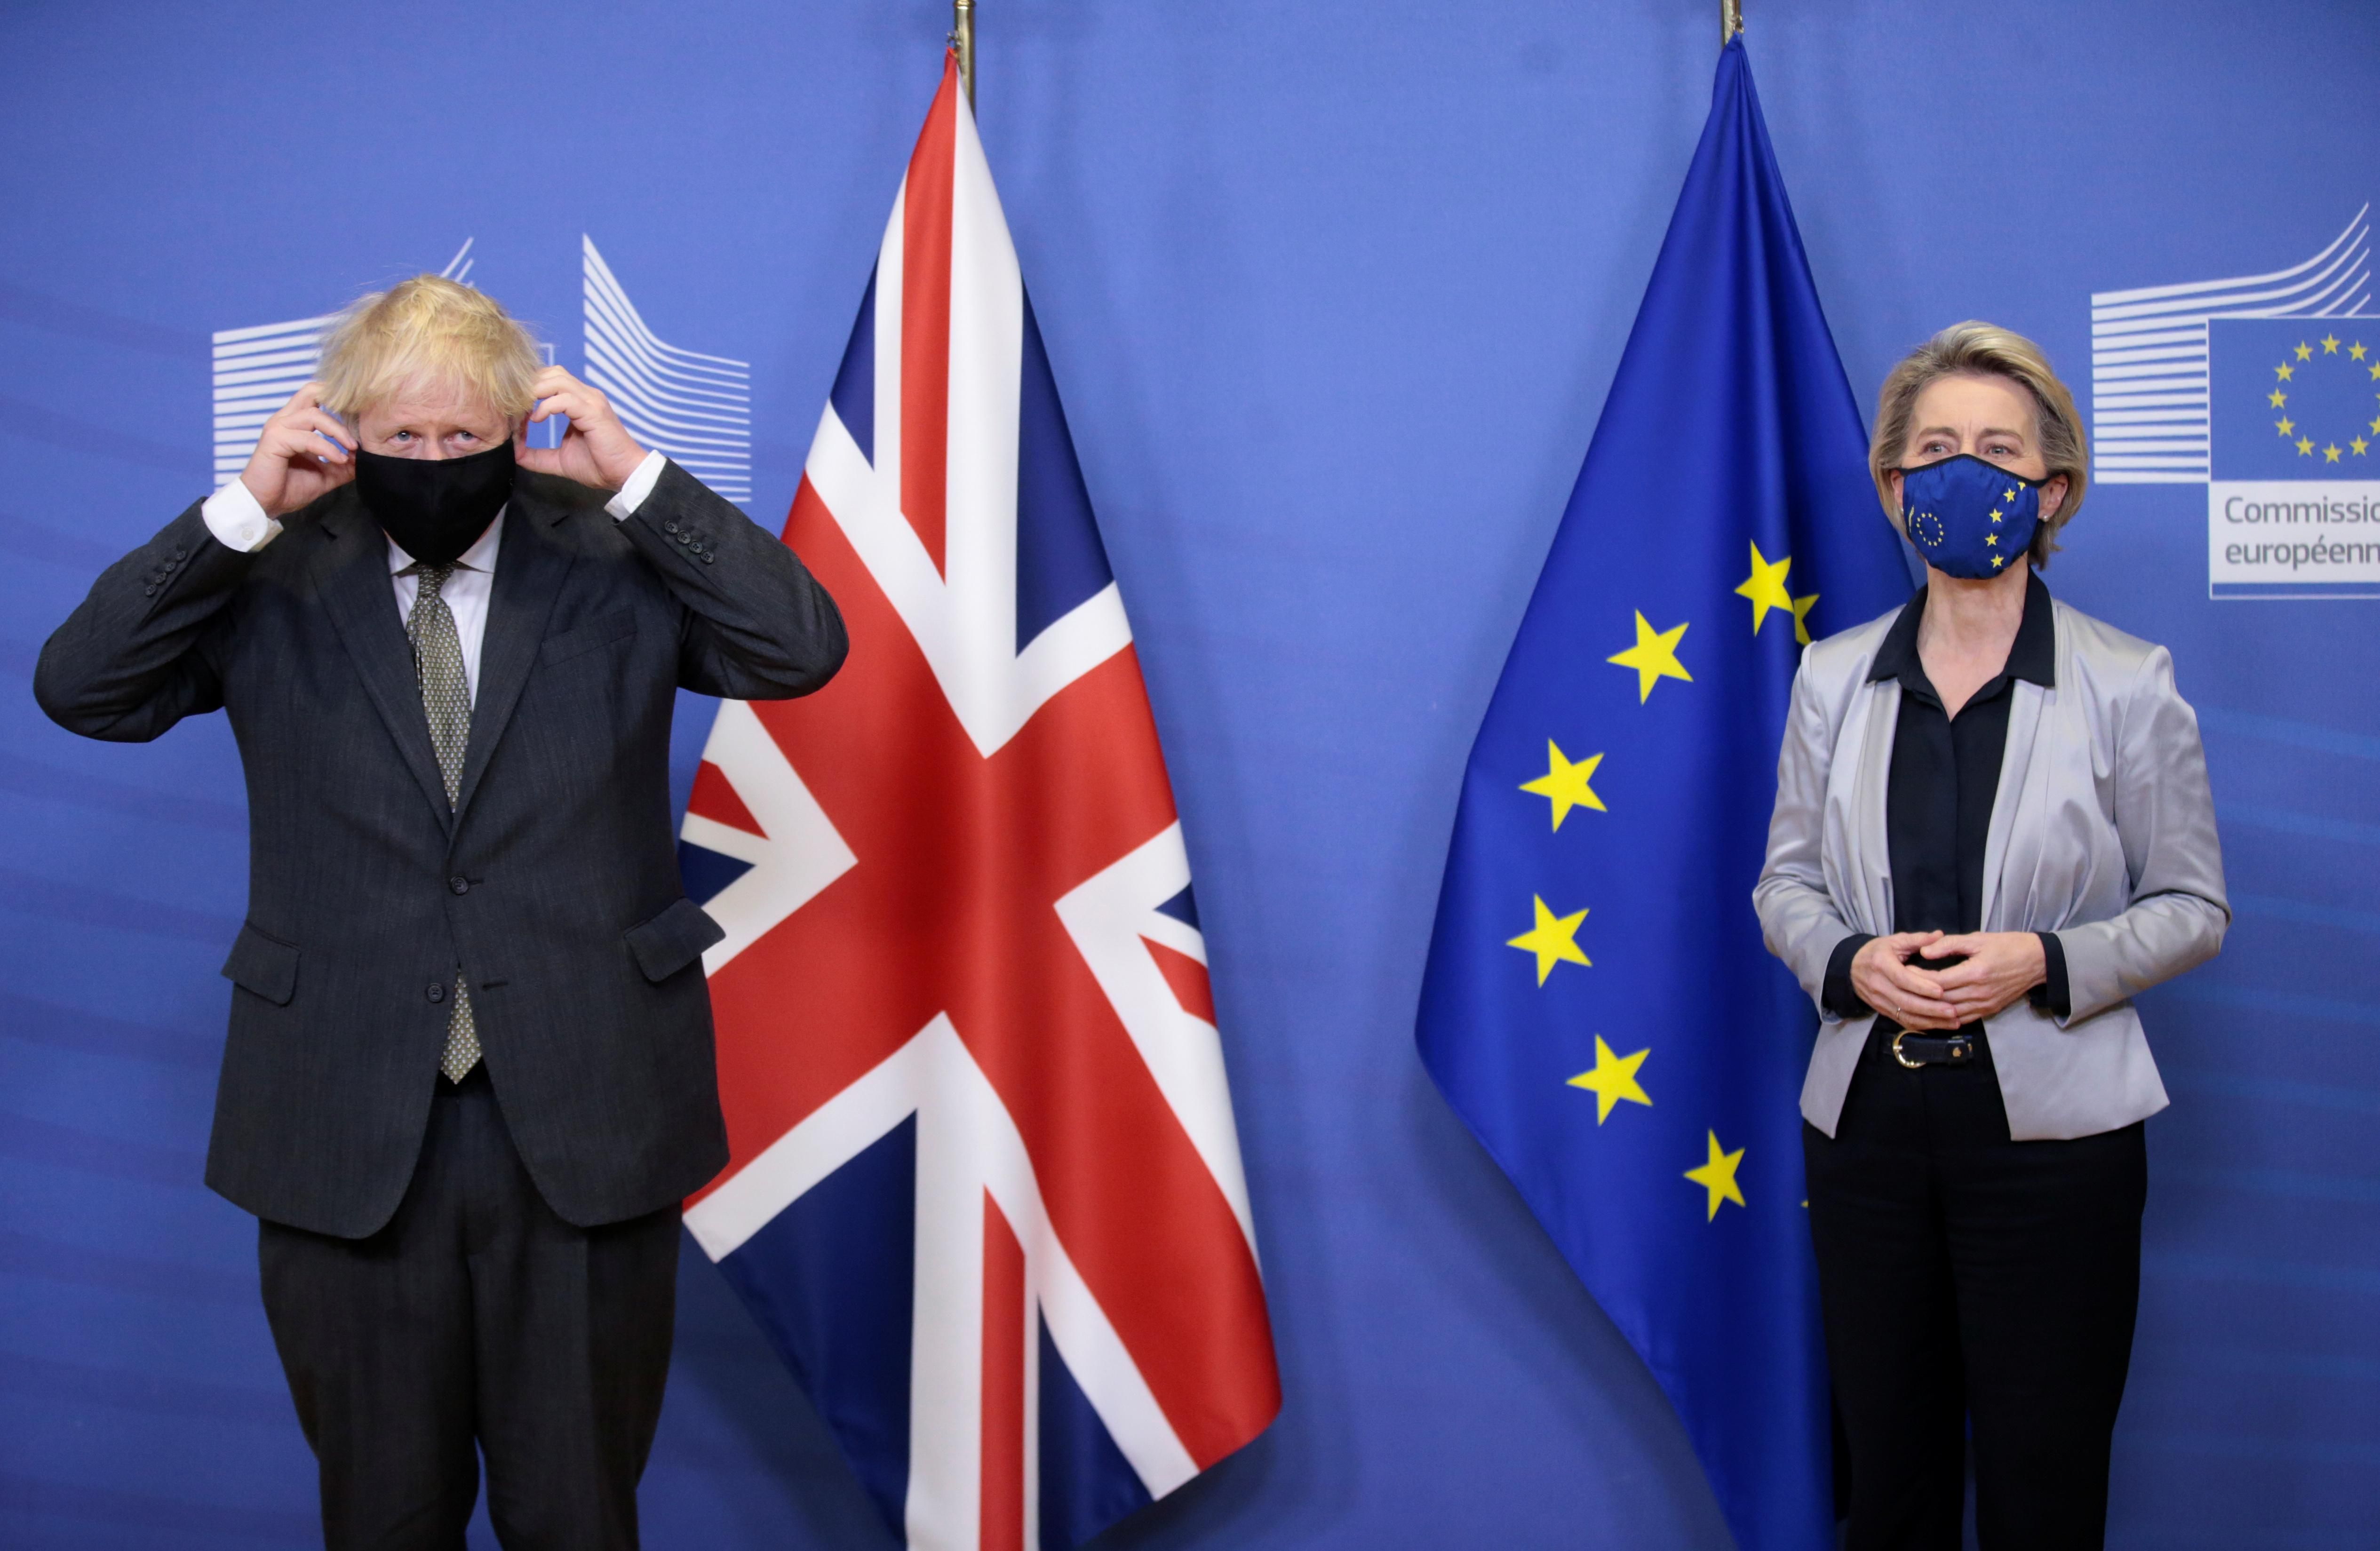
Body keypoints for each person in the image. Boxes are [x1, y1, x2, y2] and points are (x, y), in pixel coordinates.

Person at [35, 275, 847, 1548]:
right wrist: (244, 507)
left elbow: (800, 647)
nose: (429, 462)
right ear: (343, 425)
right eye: (399, 438)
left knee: (578, 1513)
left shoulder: (605, 548)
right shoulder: (270, 564)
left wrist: (633, 475)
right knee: (382, 1516)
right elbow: (83, 688)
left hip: (587, 1111)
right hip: (342, 1117)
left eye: (460, 438)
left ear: (514, 424)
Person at [1753, 322, 2228, 1549]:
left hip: (2054, 1140)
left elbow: (2192, 906)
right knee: (1889, 1477)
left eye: (1998, 450)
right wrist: (1846, 961)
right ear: (1893, 483)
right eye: (1936, 448)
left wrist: (2046, 960)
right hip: (1864, 1134)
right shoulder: (1829, 677)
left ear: (2049, 486)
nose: (1966, 472)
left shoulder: (2129, 680)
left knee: (2043, 1477)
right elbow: (1784, 886)